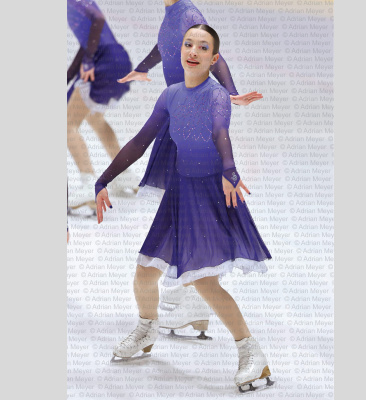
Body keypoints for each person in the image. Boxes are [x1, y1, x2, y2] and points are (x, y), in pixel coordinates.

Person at [95, 24, 274, 393]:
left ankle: (252, 354)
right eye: (188, 44)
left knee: (202, 280)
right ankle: (147, 329)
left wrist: (230, 170)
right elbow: (140, 141)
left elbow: (220, 132)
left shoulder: (216, 95)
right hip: (178, 192)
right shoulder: (171, 95)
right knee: (145, 272)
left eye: (203, 47)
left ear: (214, 58)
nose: (193, 51)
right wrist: (104, 179)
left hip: (210, 193)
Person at [118, 0, 264, 327]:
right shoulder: (173, 12)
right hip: (178, 114)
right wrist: (143, 67)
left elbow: (214, 55)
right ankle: (192, 288)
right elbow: (166, 45)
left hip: (192, 118)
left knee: (193, 208)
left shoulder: (188, 13)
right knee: (182, 208)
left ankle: (197, 297)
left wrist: (231, 92)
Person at [67, 0, 140, 209]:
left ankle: (88, 183)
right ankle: (124, 174)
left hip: (104, 61)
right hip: (118, 59)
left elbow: (99, 19)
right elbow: (86, 44)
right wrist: (69, 76)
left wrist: (89, 60)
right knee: (95, 117)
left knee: (67, 125)